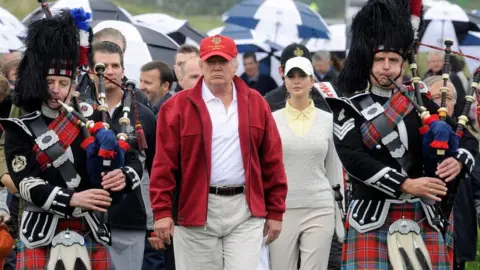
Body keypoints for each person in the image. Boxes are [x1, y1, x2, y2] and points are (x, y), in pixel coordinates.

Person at [327, 0, 478, 269]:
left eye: (393, 60)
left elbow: (462, 135)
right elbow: (354, 159)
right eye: (380, 60)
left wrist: (458, 160)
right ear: (368, 61)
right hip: (372, 218)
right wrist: (405, 184)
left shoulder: (419, 102)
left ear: (402, 63)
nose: (386, 67)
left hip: (422, 215)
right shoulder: (348, 106)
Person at [0, 10, 144, 269]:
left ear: (73, 85)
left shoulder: (94, 119)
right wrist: (72, 198)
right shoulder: (21, 128)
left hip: (90, 227)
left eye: (63, 82)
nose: (56, 89)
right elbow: (25, 183)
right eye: (50, 81)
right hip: (40, 231)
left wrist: (123, 175)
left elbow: (133, 158)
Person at [150, 34, 288, 270]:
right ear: (201, 64)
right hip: (194, 211)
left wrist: (276, 211)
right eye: (210, 61)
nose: (216, 67)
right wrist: (162, 211)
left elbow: (272, 160)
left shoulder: (257, 103)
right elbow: (164, 164)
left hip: (245, 210)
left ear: (235, 64)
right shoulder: (175, 108)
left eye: (222, 61)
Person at [269, 56, 344, 270]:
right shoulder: (272, 120)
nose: (297, 81)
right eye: (291, 76)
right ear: (284, 80)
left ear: (312, 81)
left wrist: (340, 216)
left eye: (302, 75)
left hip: (320, 206)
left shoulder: (328, 119)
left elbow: (334, 170)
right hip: (282, 210)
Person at [88, 41, 158, 270]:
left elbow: (155, 169)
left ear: (123, 70)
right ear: (90, 71)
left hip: (129, 218)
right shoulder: (79, 110)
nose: (109, 71)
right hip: (83, 218)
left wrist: (157, 219)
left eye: (115, 65)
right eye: (102, 66)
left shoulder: (143, 115)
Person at [264, 44, 330, 113]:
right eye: (291, 74)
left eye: (302, 74)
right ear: (281, 71)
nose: (297, 81)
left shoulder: (327, 97)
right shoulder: (268, 102)